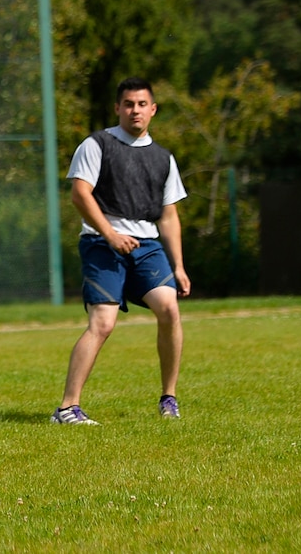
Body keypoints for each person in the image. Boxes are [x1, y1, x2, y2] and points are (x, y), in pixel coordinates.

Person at [52, 77, 191, 425]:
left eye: (142, 104)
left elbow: (169, 215)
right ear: (118, 108)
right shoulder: (97, 144)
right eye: (128, 104)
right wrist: (111, 234)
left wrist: (179, 265)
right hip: (102, 244)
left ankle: (168, 398)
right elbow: (80, 195)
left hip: (146, 246)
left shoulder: (163, 158)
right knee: (103, 323)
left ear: (153, 109)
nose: (135, 110)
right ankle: (67, 408)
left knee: (169, 309)